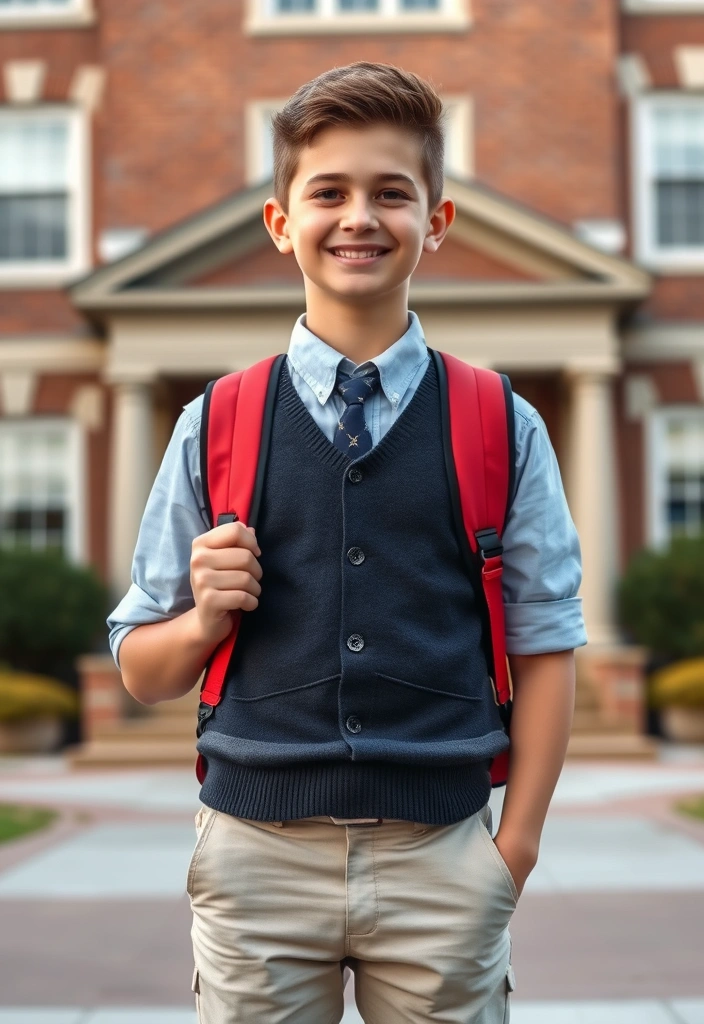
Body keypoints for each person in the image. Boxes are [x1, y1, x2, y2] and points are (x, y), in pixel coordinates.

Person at [107, 61, 587, 1024]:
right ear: (282, 223)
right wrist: (204, 617)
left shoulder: (499, 420)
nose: (359, 216)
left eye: (391, 193)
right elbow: (142, 671)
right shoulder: (216, 423)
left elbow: (545, 642)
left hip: (443, 854)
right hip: (256, 855)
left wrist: (515, 849)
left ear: (437, 223)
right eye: (327, 192)